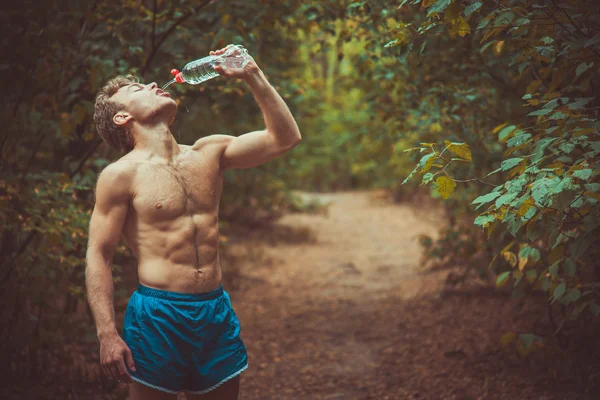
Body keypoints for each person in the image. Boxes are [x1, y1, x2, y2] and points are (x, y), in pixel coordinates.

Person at [85, 46, 301, 400]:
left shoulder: (208, 152)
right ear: (122, 118)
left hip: (215, 309)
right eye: (138, 89)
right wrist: (107, 334)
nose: (154, 84)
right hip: (157, 314)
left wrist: (252, 74)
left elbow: (285, 139)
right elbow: (99, 255)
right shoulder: (120, 175)